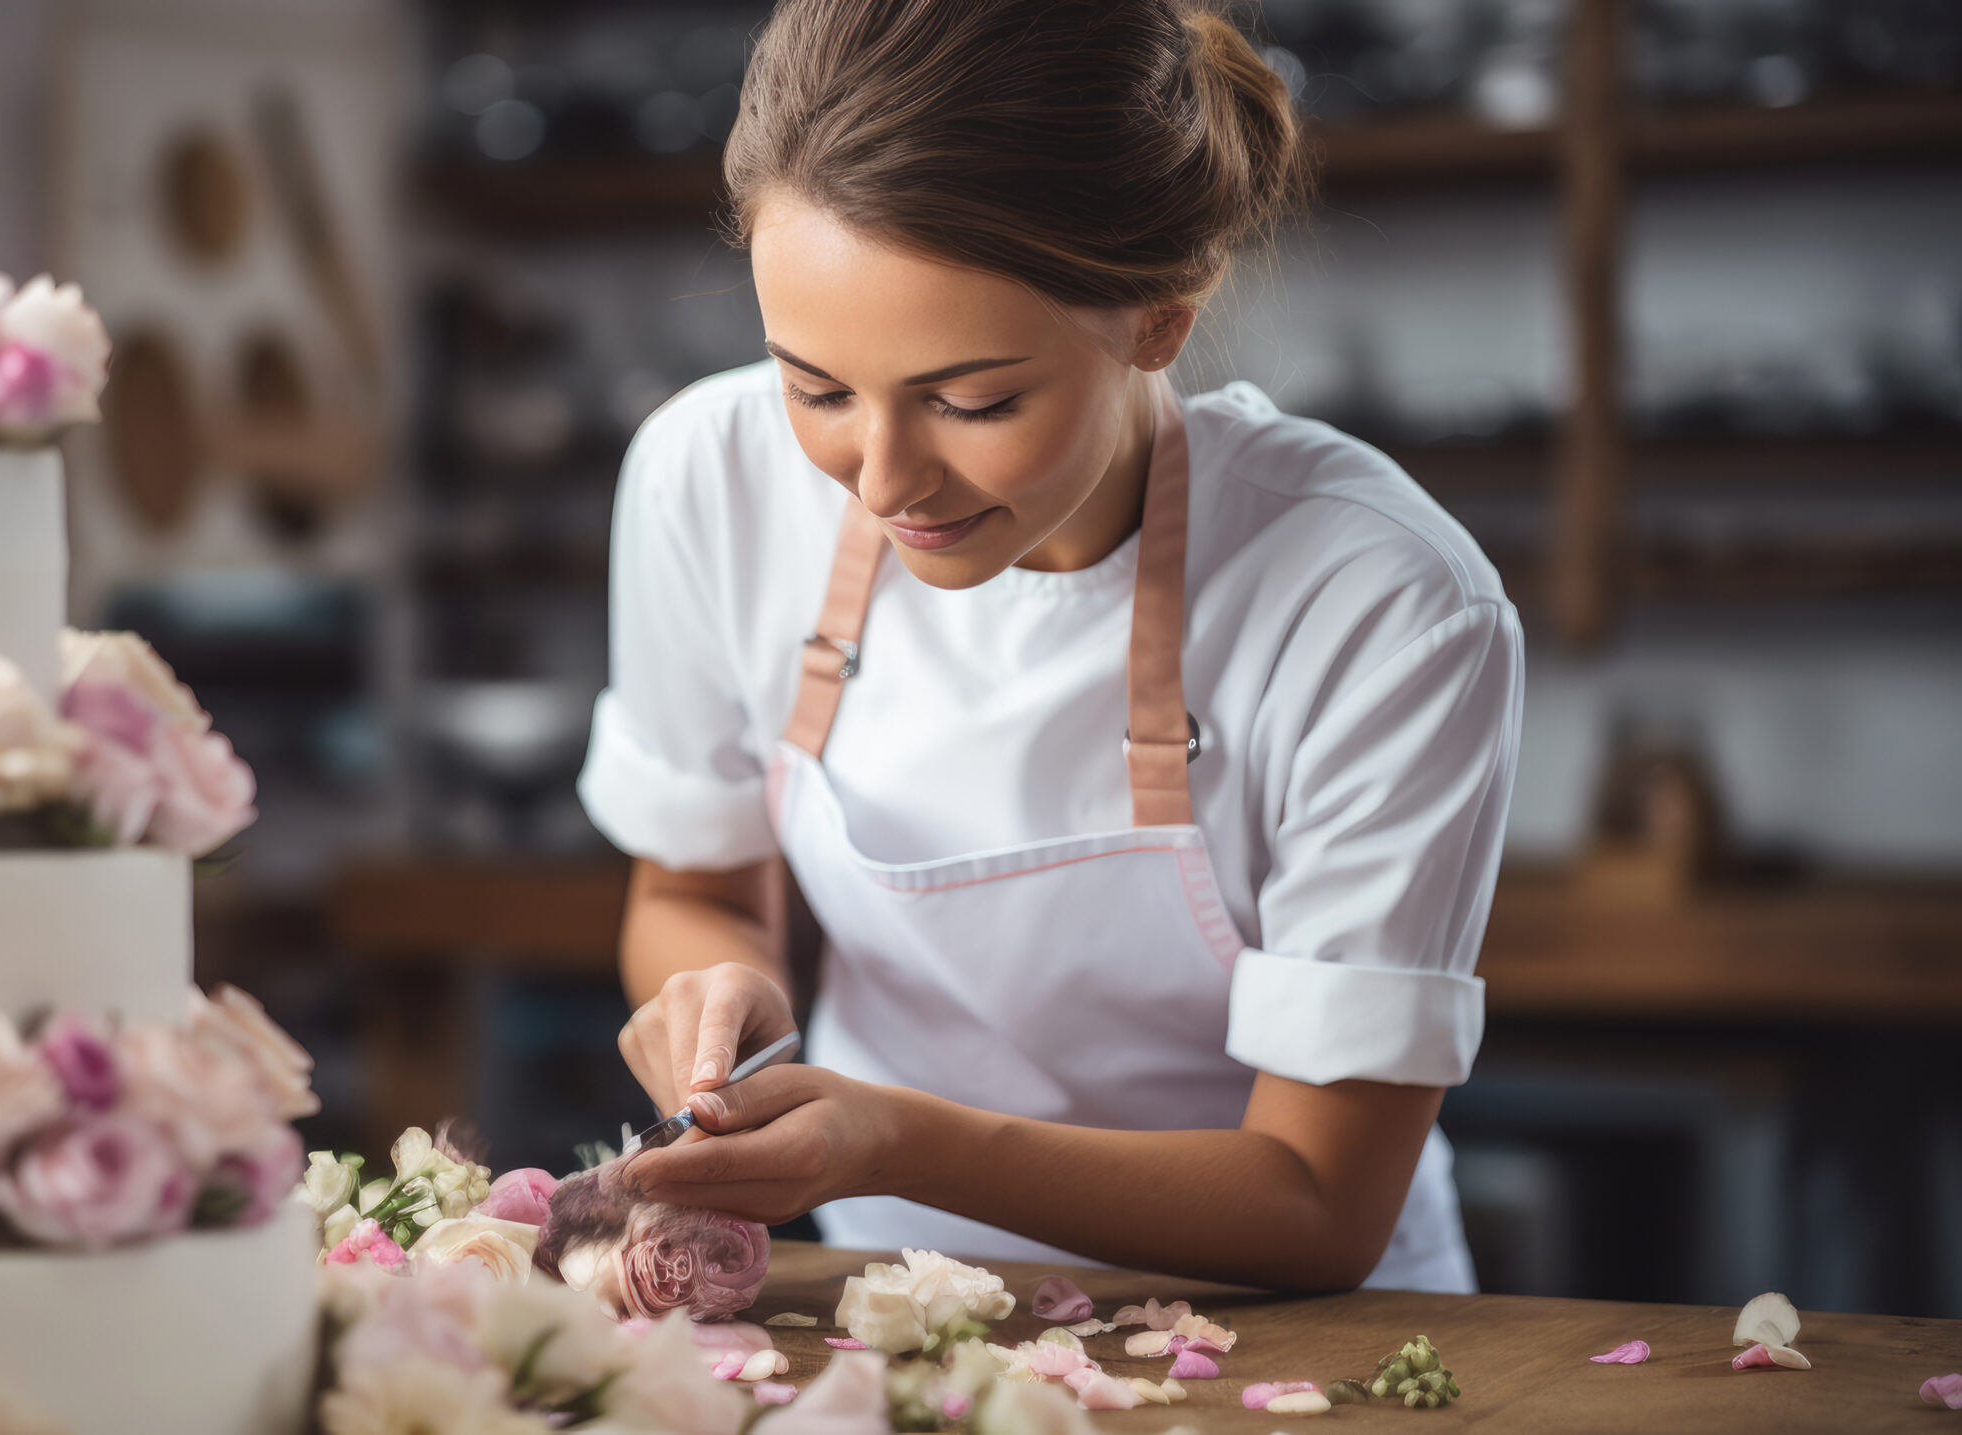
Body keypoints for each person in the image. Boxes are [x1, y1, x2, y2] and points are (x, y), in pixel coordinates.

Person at [580, 0, 1523, 1292]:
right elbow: (691, 886)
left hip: (1310, 1342)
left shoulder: (1379, 601)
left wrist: (893, 1139)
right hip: (903, 1306)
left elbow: (1317, 1202)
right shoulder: (709, 475)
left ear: (1157, 322)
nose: (886, 478)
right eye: (818, 389)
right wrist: (718, 1004)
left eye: (973, 400)